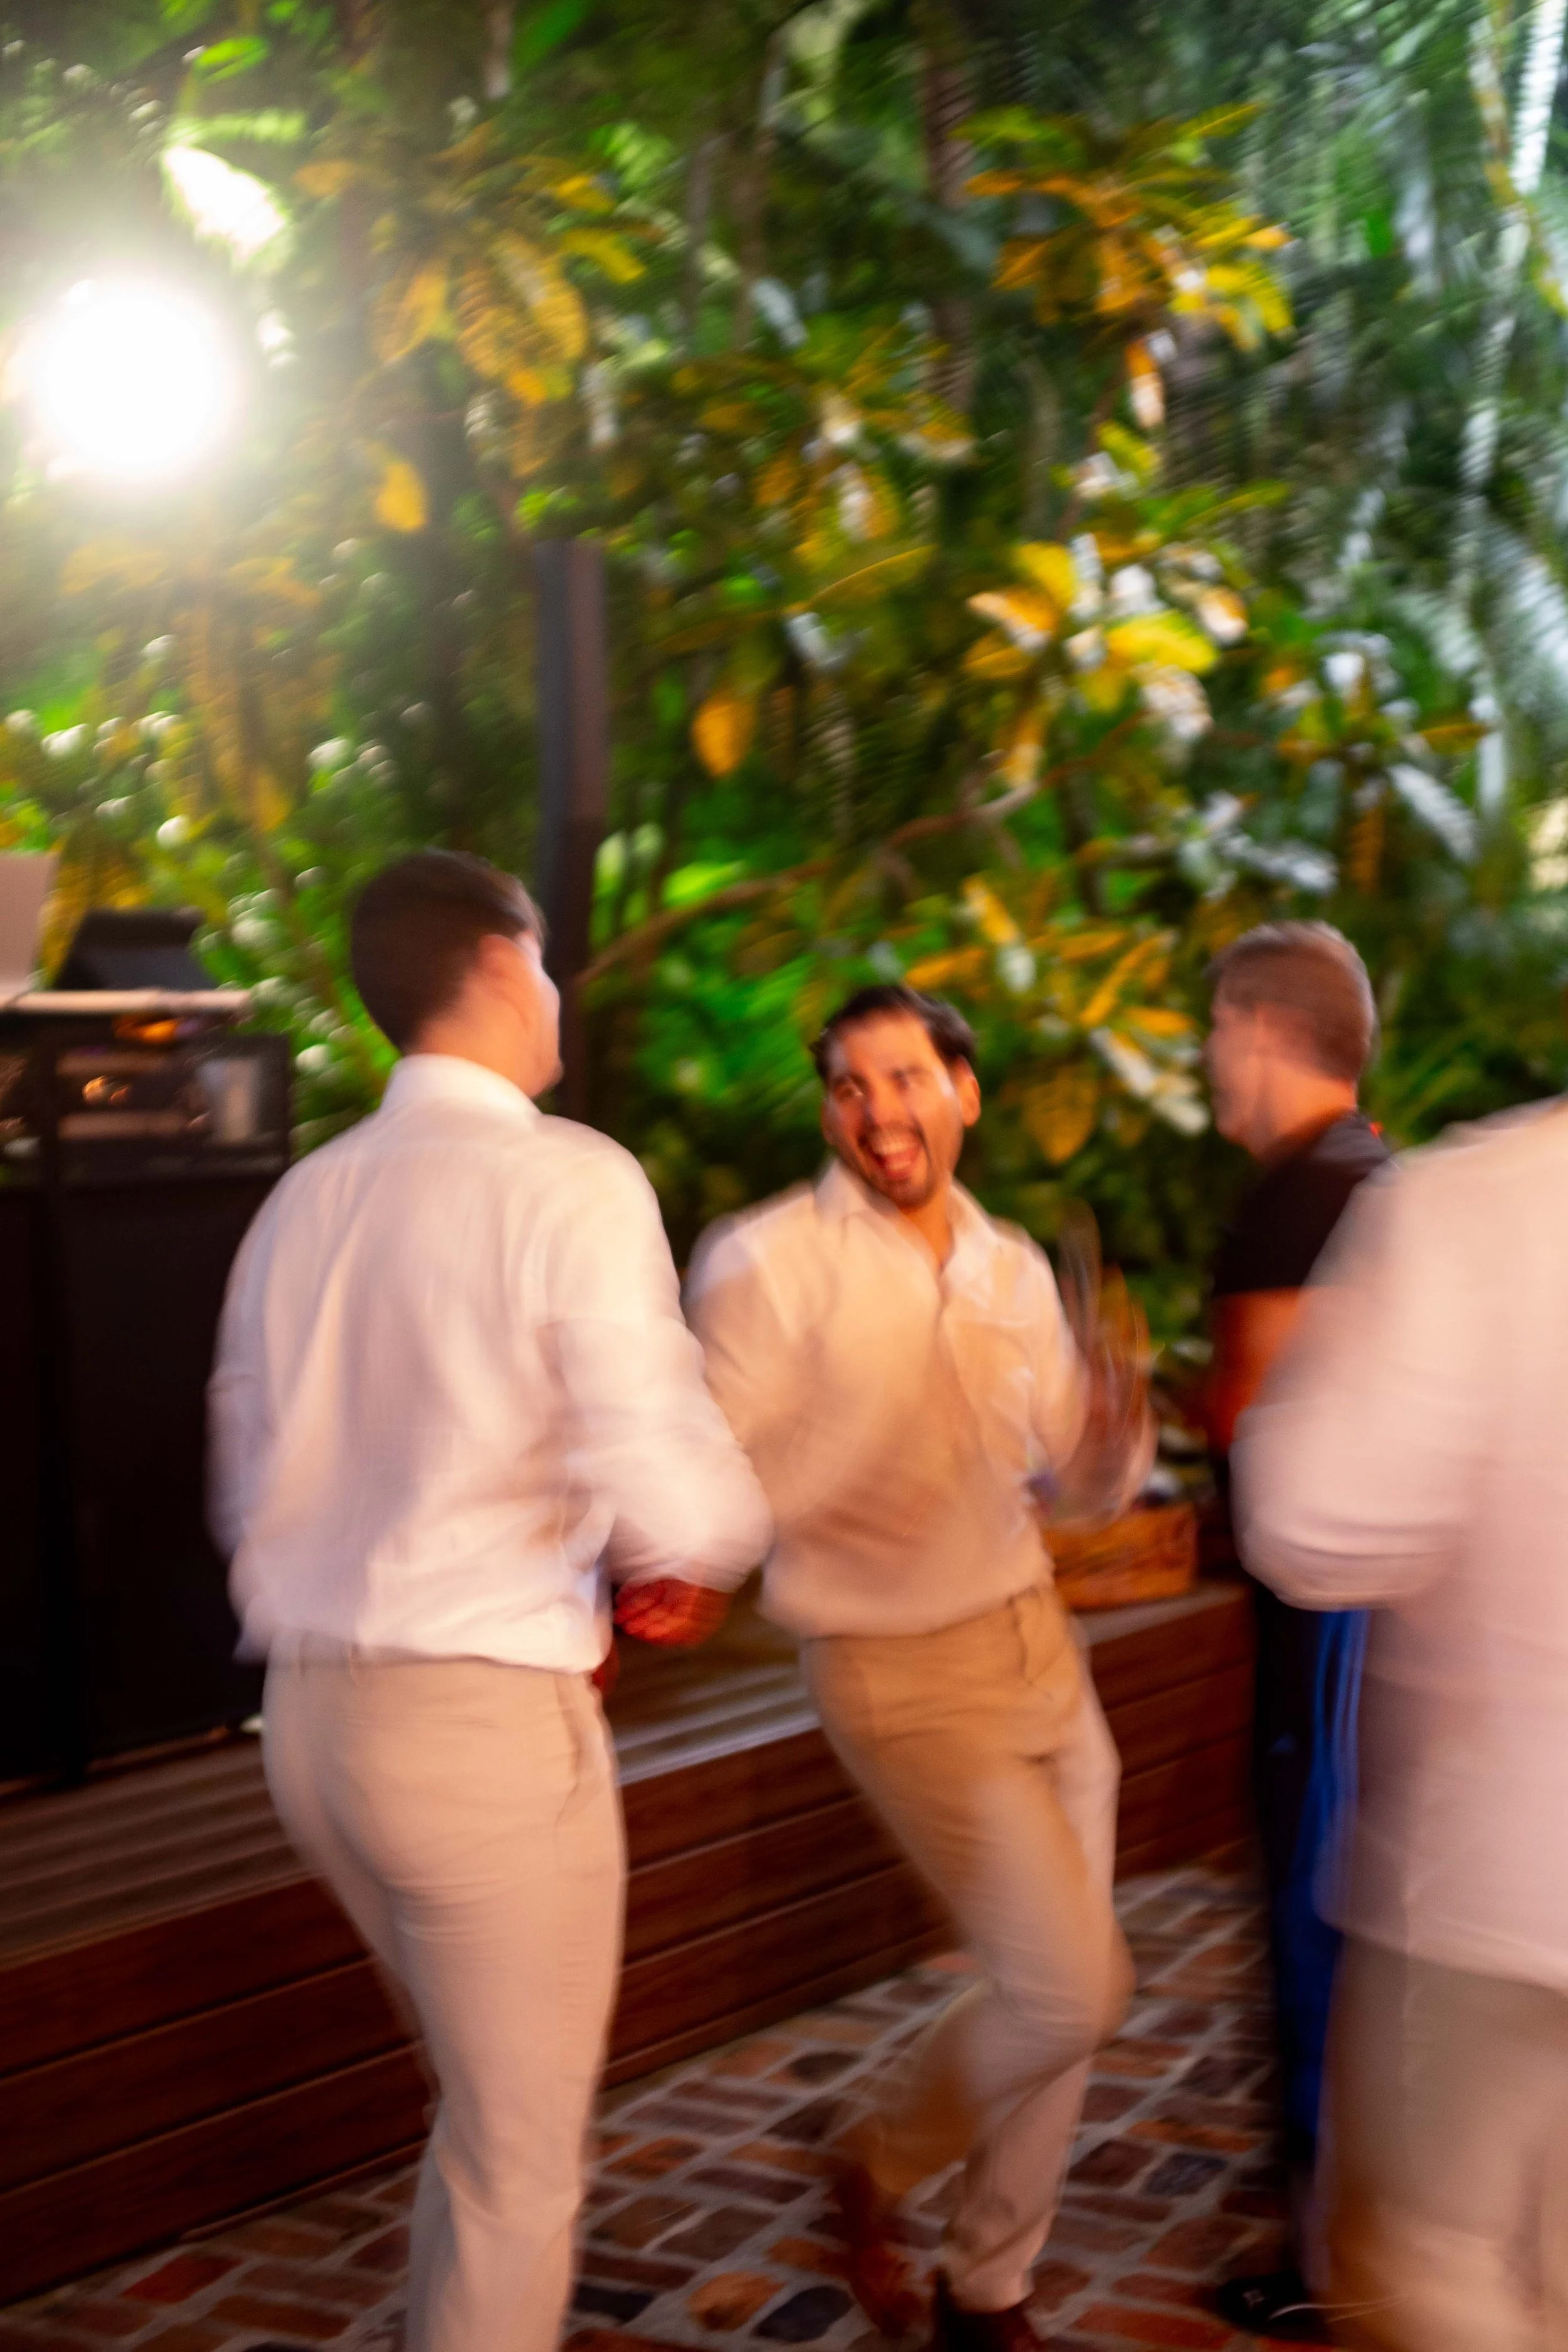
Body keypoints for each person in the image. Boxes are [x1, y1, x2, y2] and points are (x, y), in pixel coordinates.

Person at [209, 850, 770, 2352]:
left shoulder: (303, 1200)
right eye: (545, 961)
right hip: (475, 1737)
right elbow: (668, 1471)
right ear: (505, 962)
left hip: (313, 1728)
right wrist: (696, 1549)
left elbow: (245, 1469)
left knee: (481, 2120)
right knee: (523, 2166)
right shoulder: (565, 1177)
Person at [686, 982, 1150, 2352]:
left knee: (1059, 1991)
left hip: (1034, 1649)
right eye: (847, 1085)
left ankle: (987, 2282)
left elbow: (1070, 1484)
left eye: (902, 1078)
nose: (876, 1111)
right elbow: (713, 1475)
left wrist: (1109, 1441)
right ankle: (872, 2158)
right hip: (895, 1670)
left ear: (963, 1092)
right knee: (1072, 1982)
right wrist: (855, 1455)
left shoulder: (1009, 1266)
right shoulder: (765, 1264)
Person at [1236, 1096, 1568, 2352]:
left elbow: (1316, 1522)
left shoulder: (1470, 1205)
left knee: (1411, 2261)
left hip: (1490, 1886)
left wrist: (1302, 1377)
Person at [1199, 921, 1388, 2342]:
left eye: (1213, 1032)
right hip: (1393, 1629)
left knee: (1309, 1924)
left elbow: (1251, 1430)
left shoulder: (1283, 1205)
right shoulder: (1393, 1181)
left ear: (1262, 1031)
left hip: (1314, 1630)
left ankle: (1326, 2251)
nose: (1207, 1063)